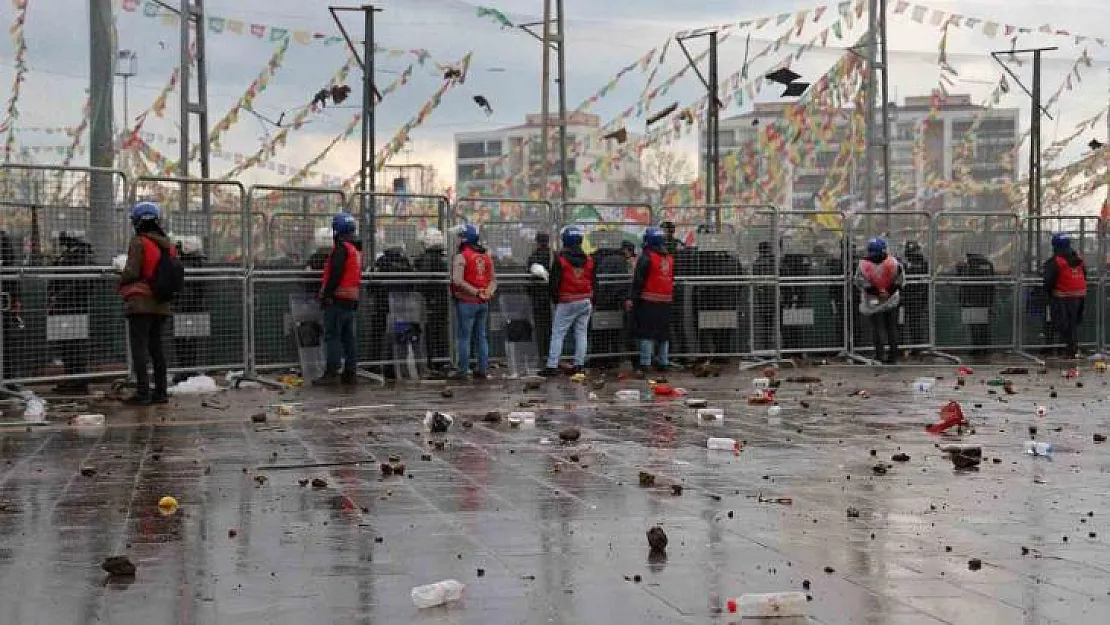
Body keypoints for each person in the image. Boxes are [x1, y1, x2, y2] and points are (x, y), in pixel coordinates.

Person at [117, 202, 175, 405]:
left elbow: (132, 271)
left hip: (141, 302)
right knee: (157, 348)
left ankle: (143, 392)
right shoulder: (168, 244)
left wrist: (120, 277)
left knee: (139, 348)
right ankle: (161, 392)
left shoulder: (139, 241)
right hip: (162, 303)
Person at [313, 212, 363, 386]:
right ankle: (350, 372)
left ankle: (331, 372)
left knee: (332, 336)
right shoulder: (355, 249)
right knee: (349, 338)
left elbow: (335, 274)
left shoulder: (341, 249)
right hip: (351, 300)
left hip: (337, 299)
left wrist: (326, 294)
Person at [540, 226, 597, 377]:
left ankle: (552, 365)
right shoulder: (589, 259)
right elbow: (594, 281)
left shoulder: (561, 259)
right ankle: (579, 364)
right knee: (581, 333)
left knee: (558, 333)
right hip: (585, 300)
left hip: (567, 300)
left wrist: (555, 299)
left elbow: (554, 283)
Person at [48, 231, 95, 394]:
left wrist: (59, 297)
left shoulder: (82, 255)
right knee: (66, 344)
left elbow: (80, 282)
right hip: (64, 306)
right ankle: (72, 379)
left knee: (74, 344)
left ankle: (79, 381)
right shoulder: (69, 255)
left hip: (73, 306)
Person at [450, 224, 497, 380]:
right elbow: (493, 281)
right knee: (481, 337)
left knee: (464, 337)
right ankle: (482, 369)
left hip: (466, 301)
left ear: (464, 238)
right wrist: (486, 293)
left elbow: (457, 281)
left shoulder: (461, 256)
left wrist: (475, 292)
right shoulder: (486, 256)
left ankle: (462, 371)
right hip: (483, 302)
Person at [627, 227, 674, 374]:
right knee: (663, 334)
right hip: (665, 301)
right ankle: (663, 362)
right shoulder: (669, 258)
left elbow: (639, 281)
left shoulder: (647, 257)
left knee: (646, 333)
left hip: (648, 300)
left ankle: (645, 362)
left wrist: (631, 298)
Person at [853, 237, 904, 365]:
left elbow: (860, 282)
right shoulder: (893, 262)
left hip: (874, 301)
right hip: (891, 299)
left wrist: (877, 293)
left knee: (878, 327)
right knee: (892, 328)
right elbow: (900, 280)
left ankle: (880, 356)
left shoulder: (863, 265)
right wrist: (888, 292)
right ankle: (893, 356)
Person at [1043, 232, 1087, 359]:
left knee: (1062, 324)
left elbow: (1049, 280)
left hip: (1062, 296)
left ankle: (1065, 350)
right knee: (1072, 325)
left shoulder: (1056, 261)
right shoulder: (1078, 259)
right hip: (1079, 296)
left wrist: (1047, 293)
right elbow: (1085, 275)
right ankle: (1071, 349)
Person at [413, 228, 450, 371]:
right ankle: (440, 360)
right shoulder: (443, 257)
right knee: (440, 332)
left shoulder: (429, 258)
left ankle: (434, 361)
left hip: (432, 301)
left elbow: (424, 281)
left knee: (433, 333)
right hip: (440, 300)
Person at [526, 232, 554, 359]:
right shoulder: (553, 255)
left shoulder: (534, 256)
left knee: (540, 326)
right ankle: (551, 353)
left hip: (538, 296)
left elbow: (529, 276)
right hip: (552, 295)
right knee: (551, 326)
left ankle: (541, 353)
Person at [901, 241, 930, 347]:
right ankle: (910, 347)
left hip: (913, 297)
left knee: (914, 324)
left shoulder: (921, 263)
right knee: (910, 323)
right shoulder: (905, 263)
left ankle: (915, 347)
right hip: (908, 298)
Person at [751, 241, 776, 352]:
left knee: (765, 321)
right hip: (772, 294)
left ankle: (766, 345)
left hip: (763, 295)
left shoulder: (757, 262)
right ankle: (769, 345)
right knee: (771, 321)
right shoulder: (773, 262)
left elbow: (756, 278)